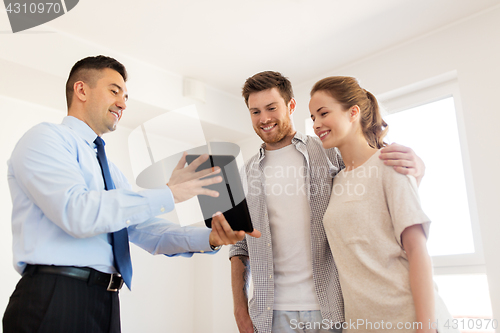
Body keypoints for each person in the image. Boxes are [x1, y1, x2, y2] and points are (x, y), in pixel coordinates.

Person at [2, 55, 260, 333]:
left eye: (126, 96)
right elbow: (76, 213)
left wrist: (210, 238)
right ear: (81, 90)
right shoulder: (44, 138)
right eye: (114, 91)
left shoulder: (110, 170)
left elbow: (148, 231)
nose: (123, 104)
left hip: (105, 300)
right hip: (55, 296)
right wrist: (168, 194)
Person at [228, 71, 425, 333]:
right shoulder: (245, 173)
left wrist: (419, 168)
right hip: (270, 314)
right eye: (255, 111)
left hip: (334, 307)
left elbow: (371, 182)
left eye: (271, 108)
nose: (264, 118)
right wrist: (240, 310)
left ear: (291, 106)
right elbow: (238, 245)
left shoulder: (330, 150)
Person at [309, 76, 457, 332]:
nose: (316, 124)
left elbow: (418, 251)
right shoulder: (336, 181)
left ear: (353, 112)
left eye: (323, 113)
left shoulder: (390, 164)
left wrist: (425, 328)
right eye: (312, 117)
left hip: (408, 319)